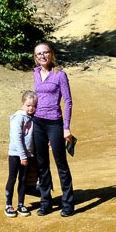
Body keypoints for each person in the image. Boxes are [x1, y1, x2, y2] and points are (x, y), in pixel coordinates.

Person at [30, 42, 75, 217]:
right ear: (35, 57)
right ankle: (46, 202)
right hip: (38, 123)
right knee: (42, 165)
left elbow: (68, 102)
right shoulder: (34, 73)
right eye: (39, 54)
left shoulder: (60, 75)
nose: (42, 56)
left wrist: (66, 127)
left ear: (51, 54)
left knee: (61, 164)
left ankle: (68, 203)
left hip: (55, 123)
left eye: (45, 52)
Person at [6, 90, 37, 217]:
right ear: (22, 105)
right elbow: (17, 138)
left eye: (34, 106)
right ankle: (8, 205)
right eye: (28, 105)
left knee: (23, 180)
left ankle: (21, 204)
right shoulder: (18, 118)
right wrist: (22, 156)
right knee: (12, 178)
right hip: (16, 154)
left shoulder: (33, 119)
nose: (31, 108)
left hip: (28, 155)